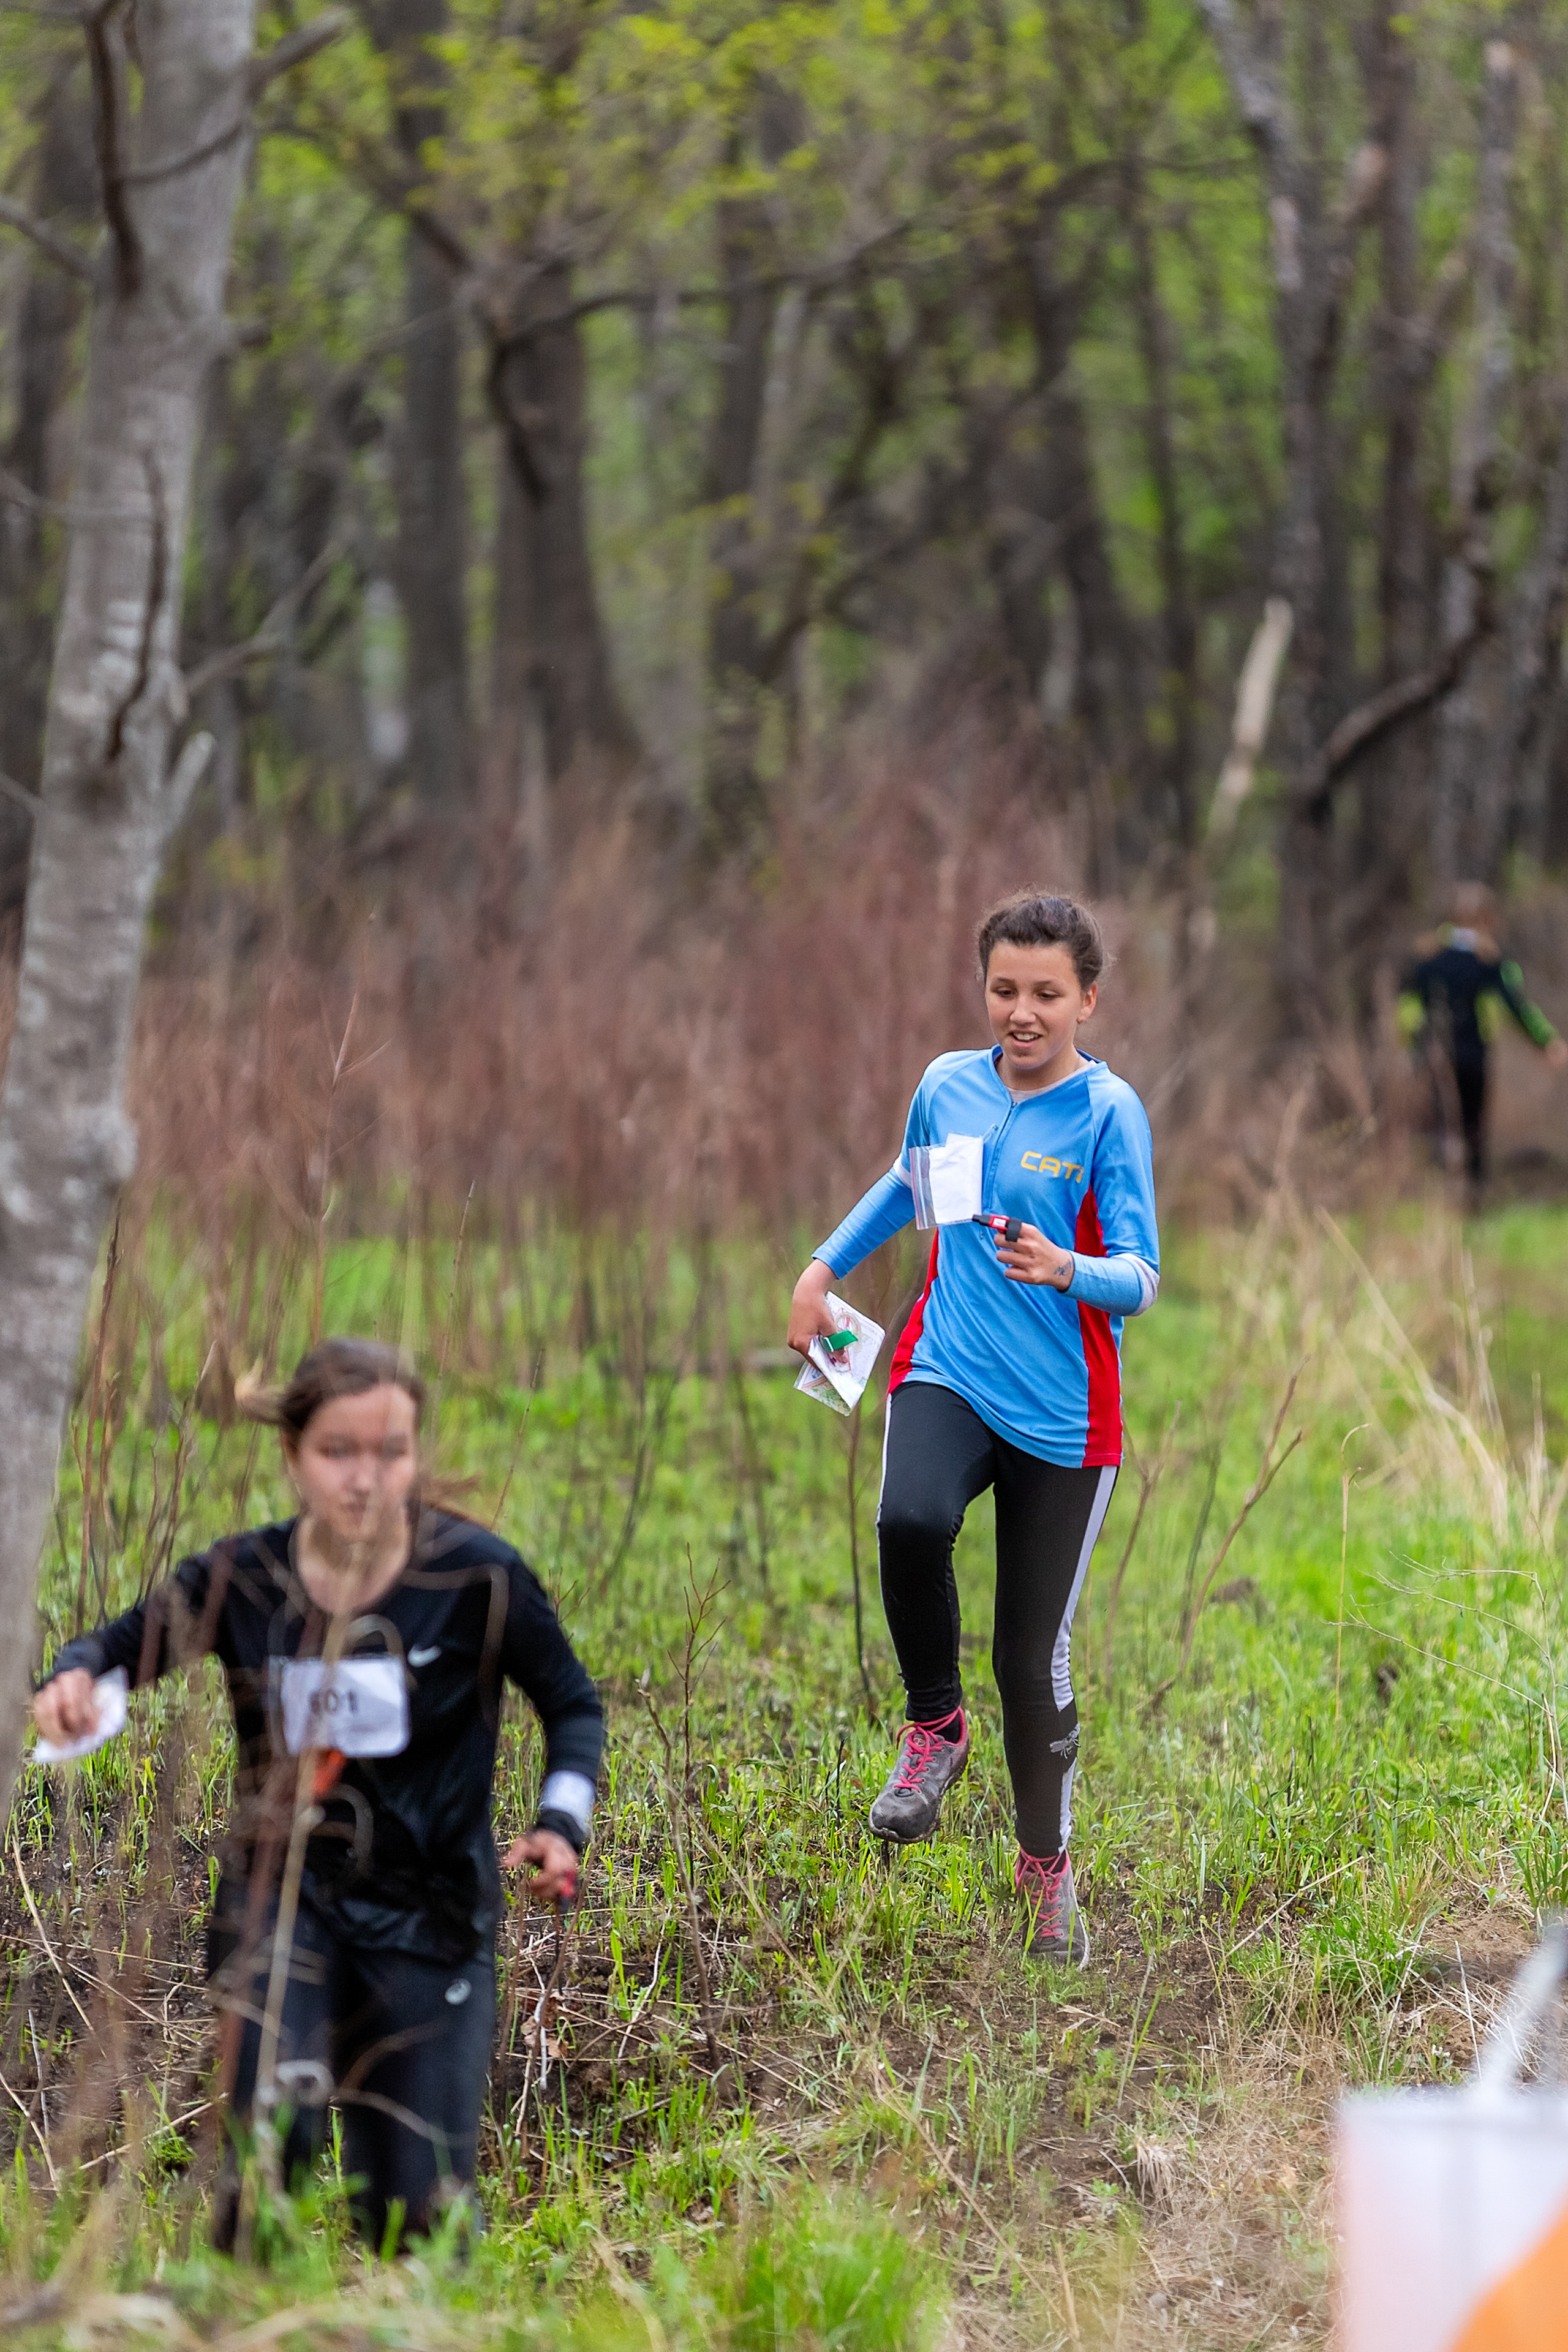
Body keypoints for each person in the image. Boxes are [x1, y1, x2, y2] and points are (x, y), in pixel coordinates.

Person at [32, 1338, 603, 2249]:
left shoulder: (479, 1581)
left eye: (393, 1452)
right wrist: (71, 1680)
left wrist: (559, 1822)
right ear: (293, 1456)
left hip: (433, 1919)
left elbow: (573, 1705)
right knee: (270, 2158)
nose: (367, 1479)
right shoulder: (244, 1581)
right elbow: (115, 1648)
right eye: (340, 1452)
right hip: (280, 1906)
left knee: (418, 2214)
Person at [787, 890, 1157, 1966]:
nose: (1023, 1011)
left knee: (1030, 1658)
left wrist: (1067, 1268)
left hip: (1063, 1413)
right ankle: (933, 1730)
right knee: (908, 1521)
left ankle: (1047, 1868)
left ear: (1086, 998)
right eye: (1006, 989)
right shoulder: (947, 1088)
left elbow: (1141, 1274)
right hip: (945, 1366)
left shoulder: (1105, 1113)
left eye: (1048, 992)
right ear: (984, 989)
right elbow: (908, 1190)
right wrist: (821, 1272)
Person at [1398, 881, 1568, 1192]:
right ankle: (1472, 1191)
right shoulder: (1491, 963)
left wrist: (1412, 1046)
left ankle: (1440, 1190)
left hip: (1434, 1053)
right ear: (1487, 919)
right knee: (1472, 1122)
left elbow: (1406, 1010)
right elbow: (1518, 1007)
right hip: (1473, 1053)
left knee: (1441, 1119)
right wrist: (1546, 1042)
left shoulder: (1425, 959)